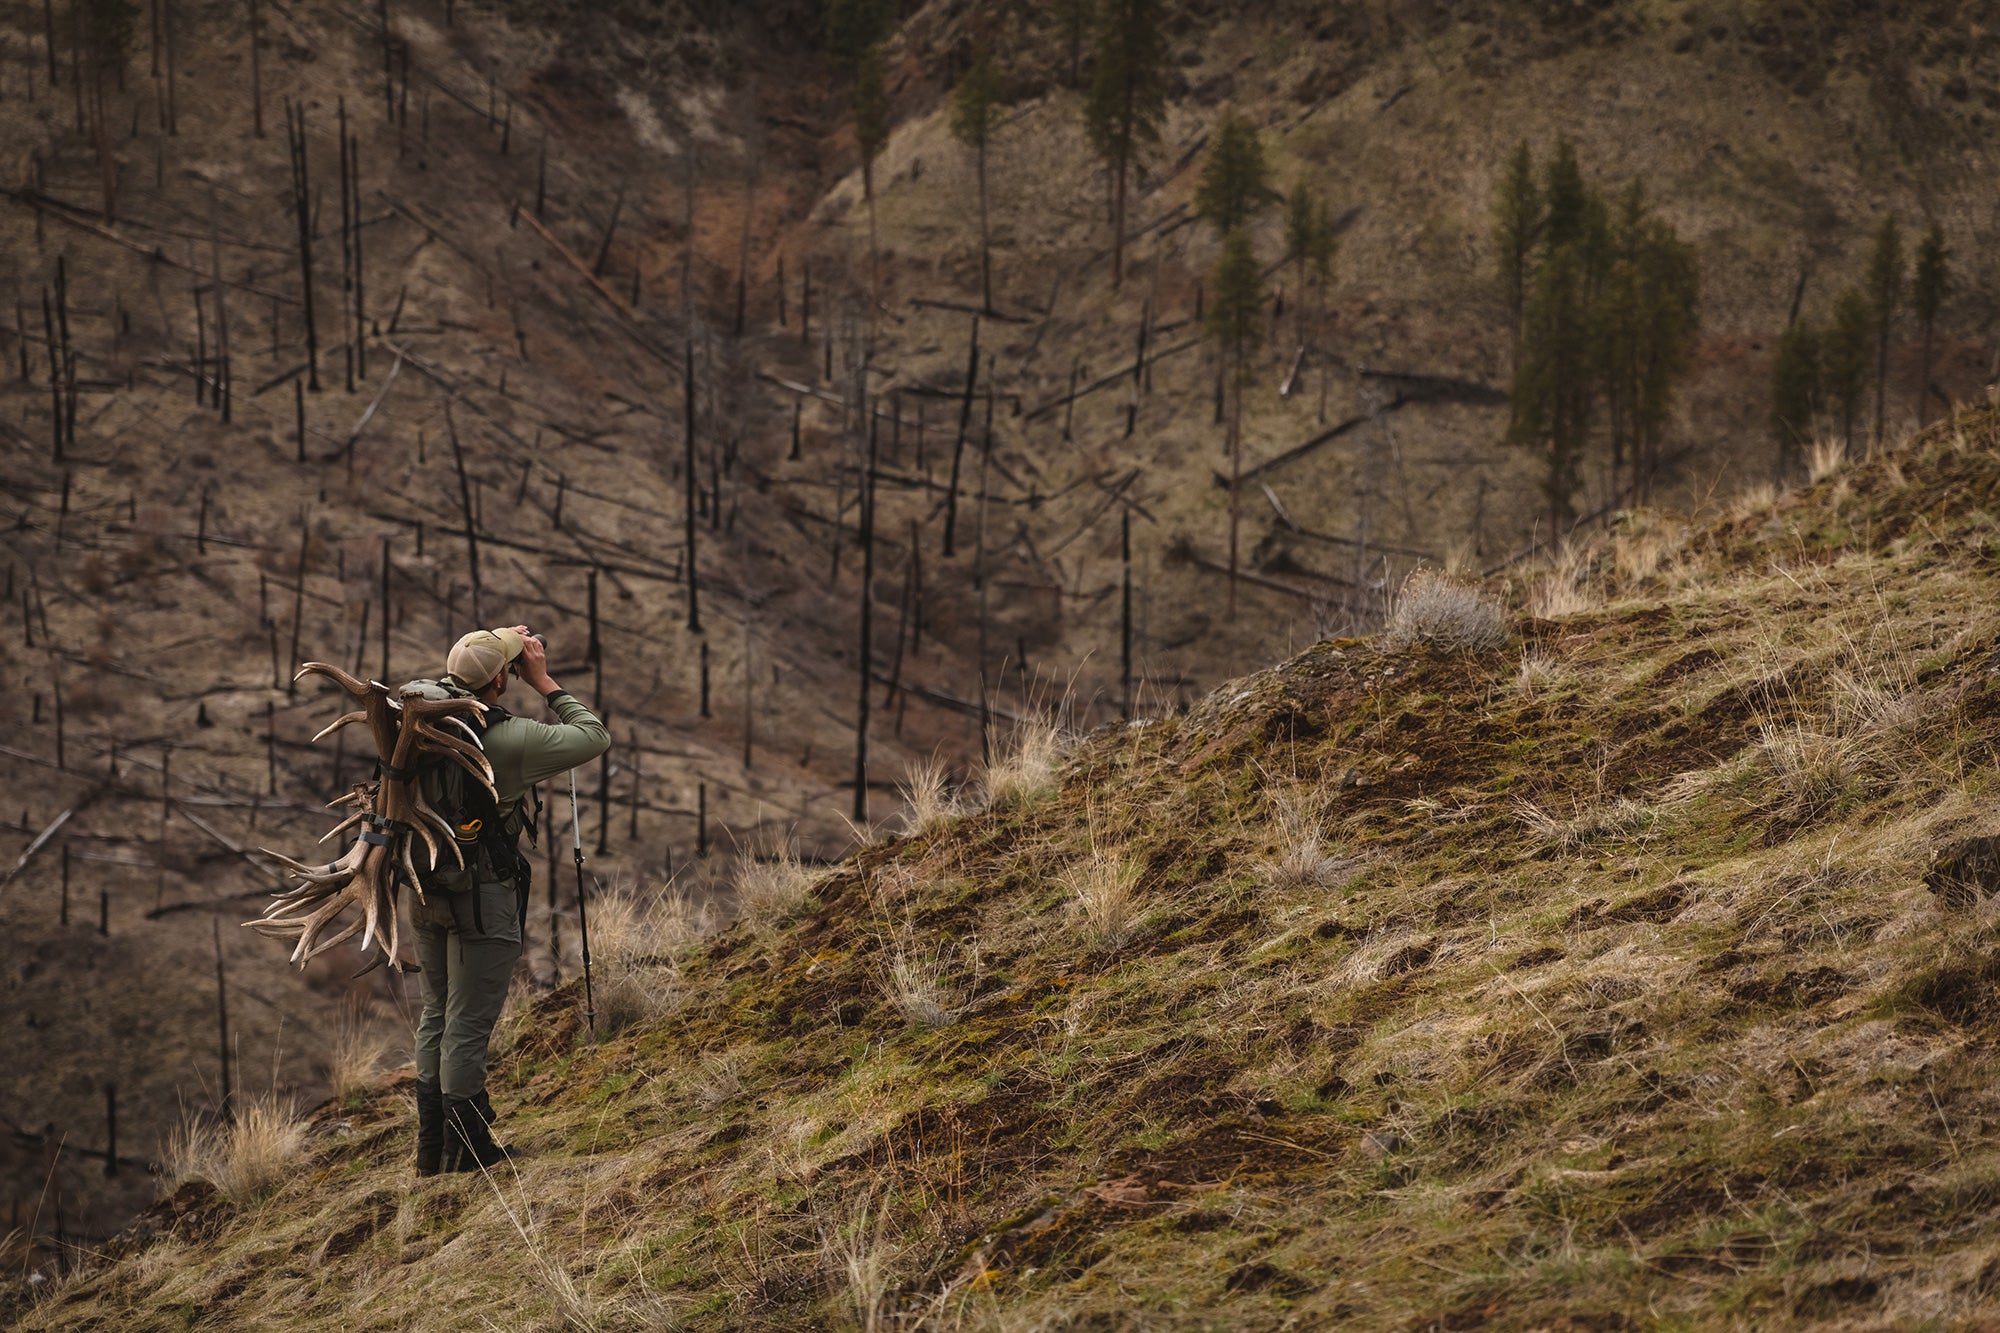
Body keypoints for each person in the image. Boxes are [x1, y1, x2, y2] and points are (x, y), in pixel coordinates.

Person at [411, 625, 608, 1176]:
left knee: (436, 1014)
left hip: (425, 888)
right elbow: (594, 736)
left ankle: (432, 1152)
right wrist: (543, 680)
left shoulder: (421, 715)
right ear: (503, 677)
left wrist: (496, 653)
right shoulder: (511, 738)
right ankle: (467, 1153)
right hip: (482, 896)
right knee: (468, 1023)